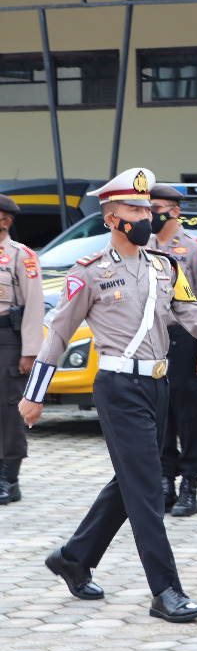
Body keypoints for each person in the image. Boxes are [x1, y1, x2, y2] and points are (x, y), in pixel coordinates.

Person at [20, 167, 197, 623]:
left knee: (131, 478)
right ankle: (165, 591)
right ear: (111, 219)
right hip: (117, 386)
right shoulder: (88, 273)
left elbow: (195, 314)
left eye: (147, 208)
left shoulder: (165, 266)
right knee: (148, 486)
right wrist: (34, 396)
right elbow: (57, 335)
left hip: (158, 384)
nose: (144, 216)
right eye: (133, 209)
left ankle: (74, 556)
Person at [148, 184, 197, 518]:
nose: (150, 213)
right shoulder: (140, 246)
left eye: (157, 207)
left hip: (188, 340)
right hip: (152, 342)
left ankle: (190, 484)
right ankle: (165, 481)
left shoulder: (196, 249)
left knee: (191, 415)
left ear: (175, 211)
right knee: (159, 414)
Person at [0, 194, 43, 505]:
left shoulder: (21, 256)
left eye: (5, 216)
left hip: (7, 340)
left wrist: (30, 351)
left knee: (9, 407)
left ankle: (9, 478)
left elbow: (34, 306)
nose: (3, 220)